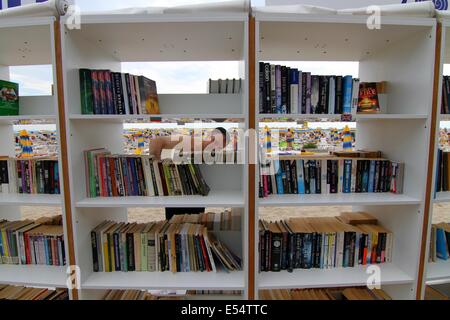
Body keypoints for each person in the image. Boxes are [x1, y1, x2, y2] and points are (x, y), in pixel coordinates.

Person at [149, 127, 229, 220]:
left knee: (195, 228)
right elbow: (156, 141)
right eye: (214, 141)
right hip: (177, 196)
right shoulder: (190, 142)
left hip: (197, 198)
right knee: (174, 227)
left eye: (219, 147)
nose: (214, 148)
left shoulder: (212, 156)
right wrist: (157, 167)